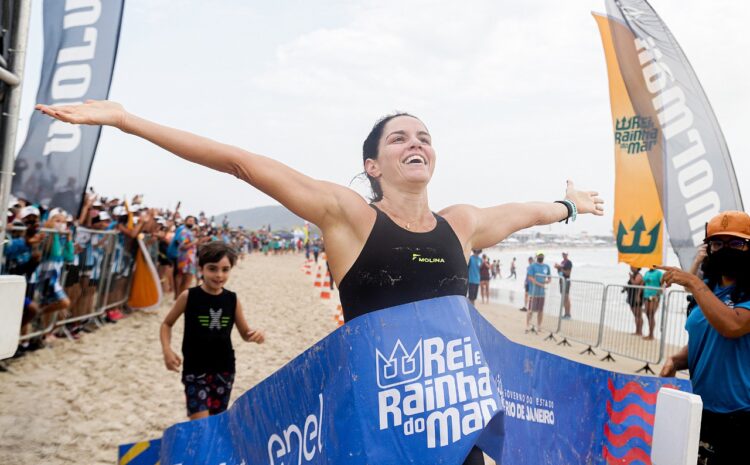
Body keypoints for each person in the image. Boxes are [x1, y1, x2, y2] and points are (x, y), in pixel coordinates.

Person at [37, 102, 604, 464]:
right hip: (380, 419)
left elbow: (528, 212)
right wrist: (124, 119)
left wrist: (568, 206)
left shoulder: (462, 224)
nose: (416, 143)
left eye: (424, 136)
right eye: (399, 138)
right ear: (374, 165)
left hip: (459, 417)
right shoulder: (349, 216)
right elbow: (241, 163)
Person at [658, 211, 750, 464]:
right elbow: (708, 338)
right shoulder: (710, 288)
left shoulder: (708, 289)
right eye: (718, 243)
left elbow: (733, 326)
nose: (725, 250)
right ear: (708, 248)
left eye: (736, 243)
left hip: (741, 416)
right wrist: (676, 361)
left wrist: (693, 283)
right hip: (699, 409)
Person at [160, 241, 265, 420]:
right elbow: (166, 324)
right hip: (194, 370)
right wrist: (167, 350)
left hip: (224, 370)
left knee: (216, 423)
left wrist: (256, 336)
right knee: (201, 426)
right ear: (201, 268)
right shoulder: (189, 297)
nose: (219, 275)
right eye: (212, 269)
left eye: (225, 269)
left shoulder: (232, 300)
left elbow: (245, 333)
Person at [526, 252, 551, 332]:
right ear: (537, 257)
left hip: (541, 293)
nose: (541, 257)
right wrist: (540, 284)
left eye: (542, 255)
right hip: (533, 292)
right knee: (530, 310)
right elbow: (530, 278)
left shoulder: (546, 266)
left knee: (540, 310)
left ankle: (539, 326)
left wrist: (547, 282)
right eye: (539, 255)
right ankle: (528, 325)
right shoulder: (532, 266)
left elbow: (549, 278)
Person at [642, 266, 663, 340]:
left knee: (651, 314)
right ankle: (649, 333)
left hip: (654, 295)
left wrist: (657, 294)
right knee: (647, 314)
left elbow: (662, 284)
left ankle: (651, 335)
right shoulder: (647, 272)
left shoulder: (658, 273)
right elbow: (644, 284)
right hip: (646, 295)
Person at [623, 266, 644, 336]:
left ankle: (639, 331)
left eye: (633, 267)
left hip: (636, 298)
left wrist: (631, 277)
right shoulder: (634, 275)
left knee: (638, 315)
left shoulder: (639, 275)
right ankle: (637, 330)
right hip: (631, 297)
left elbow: (635, 283)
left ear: (637, 268)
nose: (631, 268)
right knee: (636, 315)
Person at [554, 252, 573, 319]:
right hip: (561, 281)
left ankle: (568, 314)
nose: (564, 255)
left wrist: (560, 268)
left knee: (566, 297)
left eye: (565, 254)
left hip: (566, 281)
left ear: (567, 254)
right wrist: (557, 267)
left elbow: (568, 273)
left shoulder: (568, 262)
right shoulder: (562, 262)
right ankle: (566, 313)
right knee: (564, 298)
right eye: (563, 254)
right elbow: (560, 272)